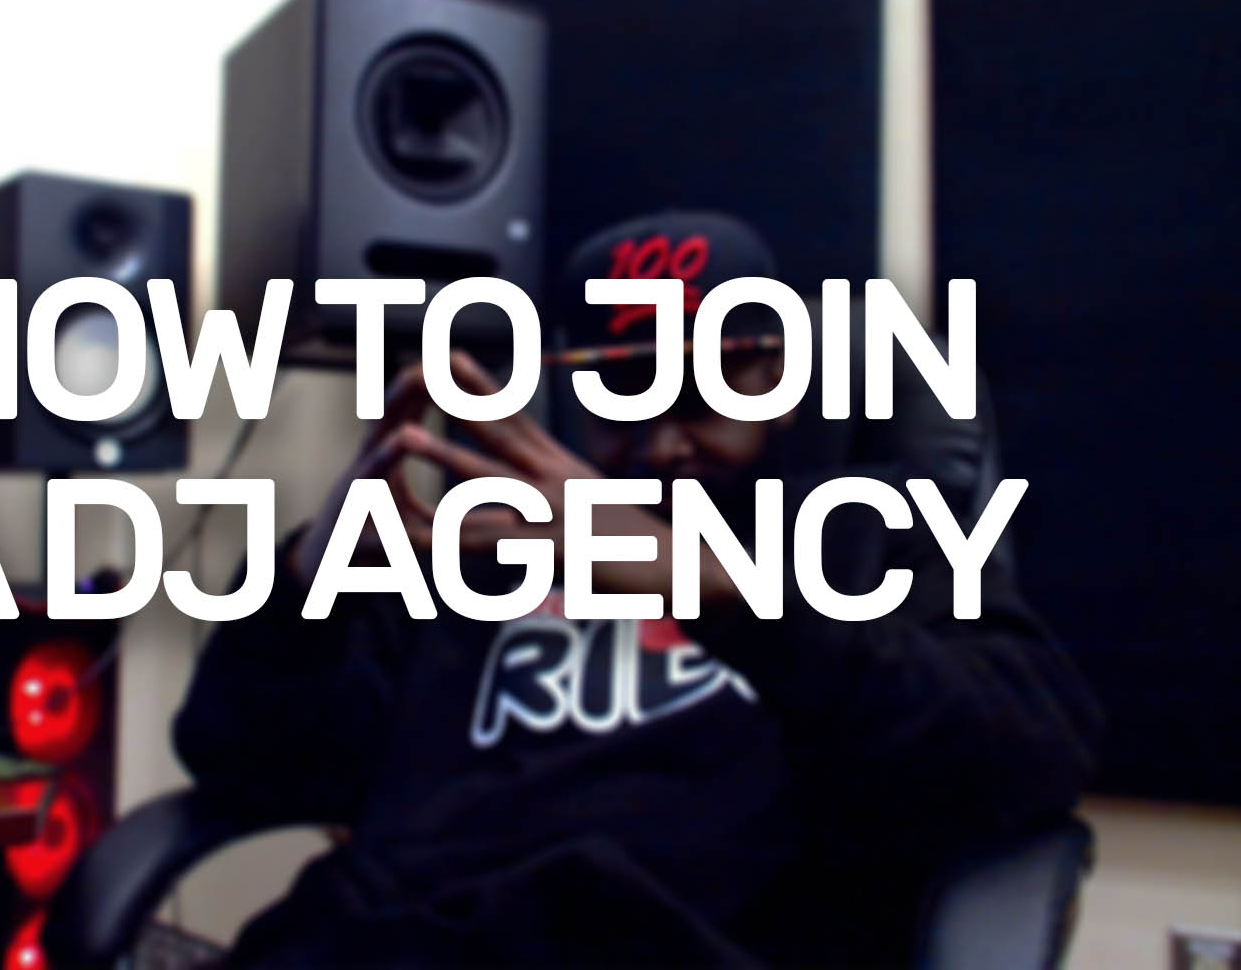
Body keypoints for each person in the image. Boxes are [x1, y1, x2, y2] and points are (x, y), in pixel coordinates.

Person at [173, 212, 1101, 967]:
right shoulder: (482, 548)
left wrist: (730, 596)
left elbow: (1033, 753)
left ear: (781, 378)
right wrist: (304, 580)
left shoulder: (868, 541)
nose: (660, 446)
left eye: (701, 392)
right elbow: (247, 763)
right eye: (622, 398)